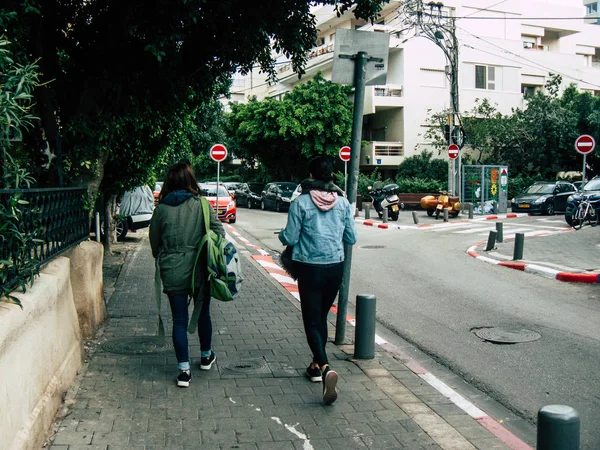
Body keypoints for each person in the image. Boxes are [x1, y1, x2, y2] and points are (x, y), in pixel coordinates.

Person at [279, 156, 358, 405]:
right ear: (331, 176)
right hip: (335, 267)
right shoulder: (343, 203)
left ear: (310, 175)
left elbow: (290, 238)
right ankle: (314, 366)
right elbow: (352, 238)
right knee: (321, 317)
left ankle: (325, 368)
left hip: (309, 268)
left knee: (312, 322)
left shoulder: (301, 203)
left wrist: (282, 234)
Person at [149, 163, 225, 387]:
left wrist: (166, 254)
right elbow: (219, 233)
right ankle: (205, 356)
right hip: (200, 269)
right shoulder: (202, 205)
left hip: (172, 269)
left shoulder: (161, 209)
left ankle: (184, 371)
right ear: (191, 180)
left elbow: (154, 243)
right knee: (202, 313)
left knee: (179, 320)